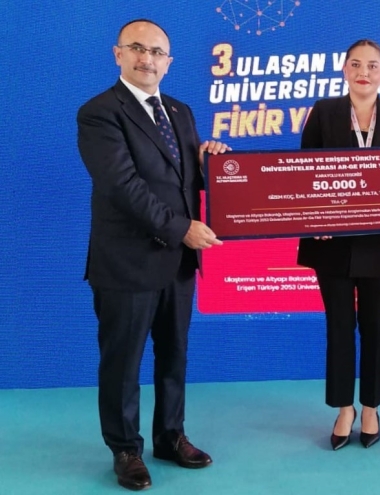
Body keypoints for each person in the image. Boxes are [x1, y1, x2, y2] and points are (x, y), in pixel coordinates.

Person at [77, 19, 229, 490]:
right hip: (127, 261)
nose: (147, 59)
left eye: (157, 52)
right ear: (118, 54)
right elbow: (122, 186)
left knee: (174, 355)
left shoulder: (180, 112)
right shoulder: (99, 113)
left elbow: (181, 182)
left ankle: (170, 436)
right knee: (123, 363)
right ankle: (125, 449)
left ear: (169, 62)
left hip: (177, 264)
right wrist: (182, 229)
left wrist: (210, 163)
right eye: (138, 49)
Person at [297, 39, 380, 451]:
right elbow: (305, 172)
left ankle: (370, 407)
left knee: (375, 324)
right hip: (331, 241)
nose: (363, 72)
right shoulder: (324, 111)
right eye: (355, 64)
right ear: (344, 69)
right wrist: (316, 218)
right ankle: (343, 408)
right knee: (338, 325)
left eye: (372, 65)